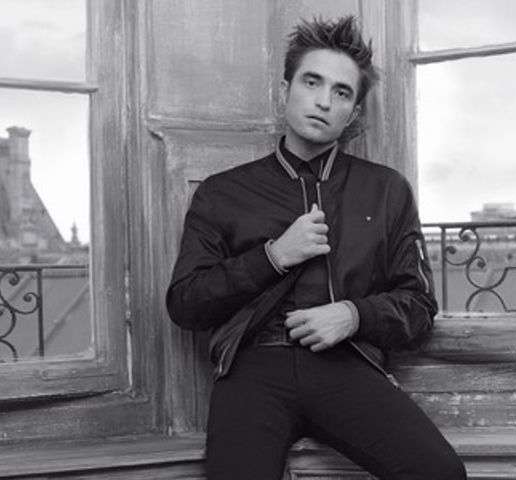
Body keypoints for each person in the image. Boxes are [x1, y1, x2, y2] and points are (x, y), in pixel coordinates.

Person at [166, 15, 466, 480]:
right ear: (285, 89)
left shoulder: (386, 190)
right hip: (253, 371)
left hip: (345, 365)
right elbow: (185, 304)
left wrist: (353, 315)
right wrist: (273, 257)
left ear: (354, 114)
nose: (324, 101)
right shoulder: (221, 192)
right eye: (312, 82)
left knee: (439, 473)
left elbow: (420, 306)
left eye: (341, 92)